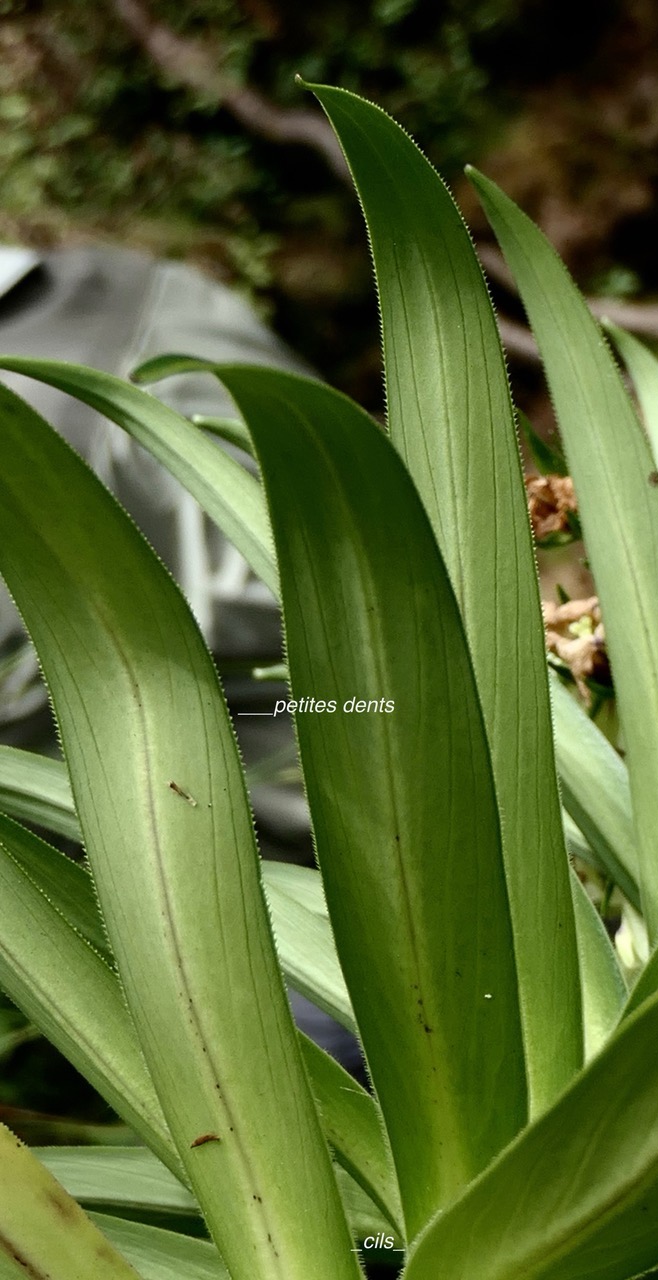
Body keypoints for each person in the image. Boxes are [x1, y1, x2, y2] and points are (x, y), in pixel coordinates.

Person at [0, 242, 362, 1079]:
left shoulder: (135, 308)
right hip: (154, 889)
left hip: (276, 864)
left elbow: (330, 558)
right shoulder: (144, 294)